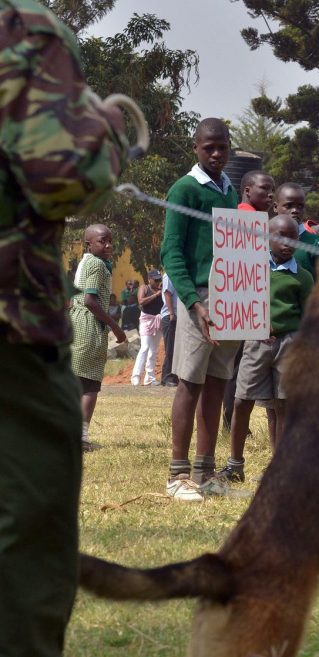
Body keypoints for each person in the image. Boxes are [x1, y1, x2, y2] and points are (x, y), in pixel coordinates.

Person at [0, 1, 126, 654]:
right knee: (27, 544)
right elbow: (58, 179)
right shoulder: (24, 29)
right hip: (13, 339)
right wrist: (106, 130)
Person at [160, 117, 241, 501]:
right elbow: (170, 251)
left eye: (221, 146)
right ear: (195, 147)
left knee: (216, 385)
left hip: (231, 299)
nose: (215, 153)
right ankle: (177, 477)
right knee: (190, 385)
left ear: (229, 147)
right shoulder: (184, 189)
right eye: (208, 147)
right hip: (199, 299)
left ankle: (206, 473)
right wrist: (192, 302)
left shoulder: (228, 191)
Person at [219, 215, 314, 482]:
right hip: (256, 342)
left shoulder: (302, 277)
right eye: (281, 237)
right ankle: (234, 465)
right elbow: (236, 299)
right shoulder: (253, 268)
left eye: (292, 238)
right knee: (242, 400)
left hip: (290, 344)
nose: (287, 243)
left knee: (284, 405)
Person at [222, 169, 277, 431]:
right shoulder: (248, 219)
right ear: (246, 190)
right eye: (264, 189)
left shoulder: (250, 217)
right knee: (239, 368)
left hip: (242, 305)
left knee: (234, 368)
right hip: (246, 305)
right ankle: (234, 422)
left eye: (271, 190)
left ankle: (232, 421)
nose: (270, 195)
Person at [70, 224, 127, 450]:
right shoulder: (96, 265)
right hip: (89, 327)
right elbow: (90, 301)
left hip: (77, 324)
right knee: (90, 384)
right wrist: (116, 327)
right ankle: (81, 438)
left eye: (110, 241)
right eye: (102, 241)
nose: (108, 245)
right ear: (89, 244)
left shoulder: (86, 262)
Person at [131, 269, 163, 386]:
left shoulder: (161, 289)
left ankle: (149, 377)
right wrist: (155, 295)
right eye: (156, 280)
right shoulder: (144, 288)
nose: (158, 282)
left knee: (153, 350)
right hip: (146, 321)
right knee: (145, 347)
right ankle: (136, 376)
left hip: (158, 321)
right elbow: (141, 301)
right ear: (150, 279)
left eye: (159, 279)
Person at [160, 273, 179, 386]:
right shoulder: (169, 275)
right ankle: (168, 377)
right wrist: (172, 314)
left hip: (178, 315)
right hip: (170, 316)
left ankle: (173, 376)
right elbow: (167, 293)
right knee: (170, 348)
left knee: (176, 349)